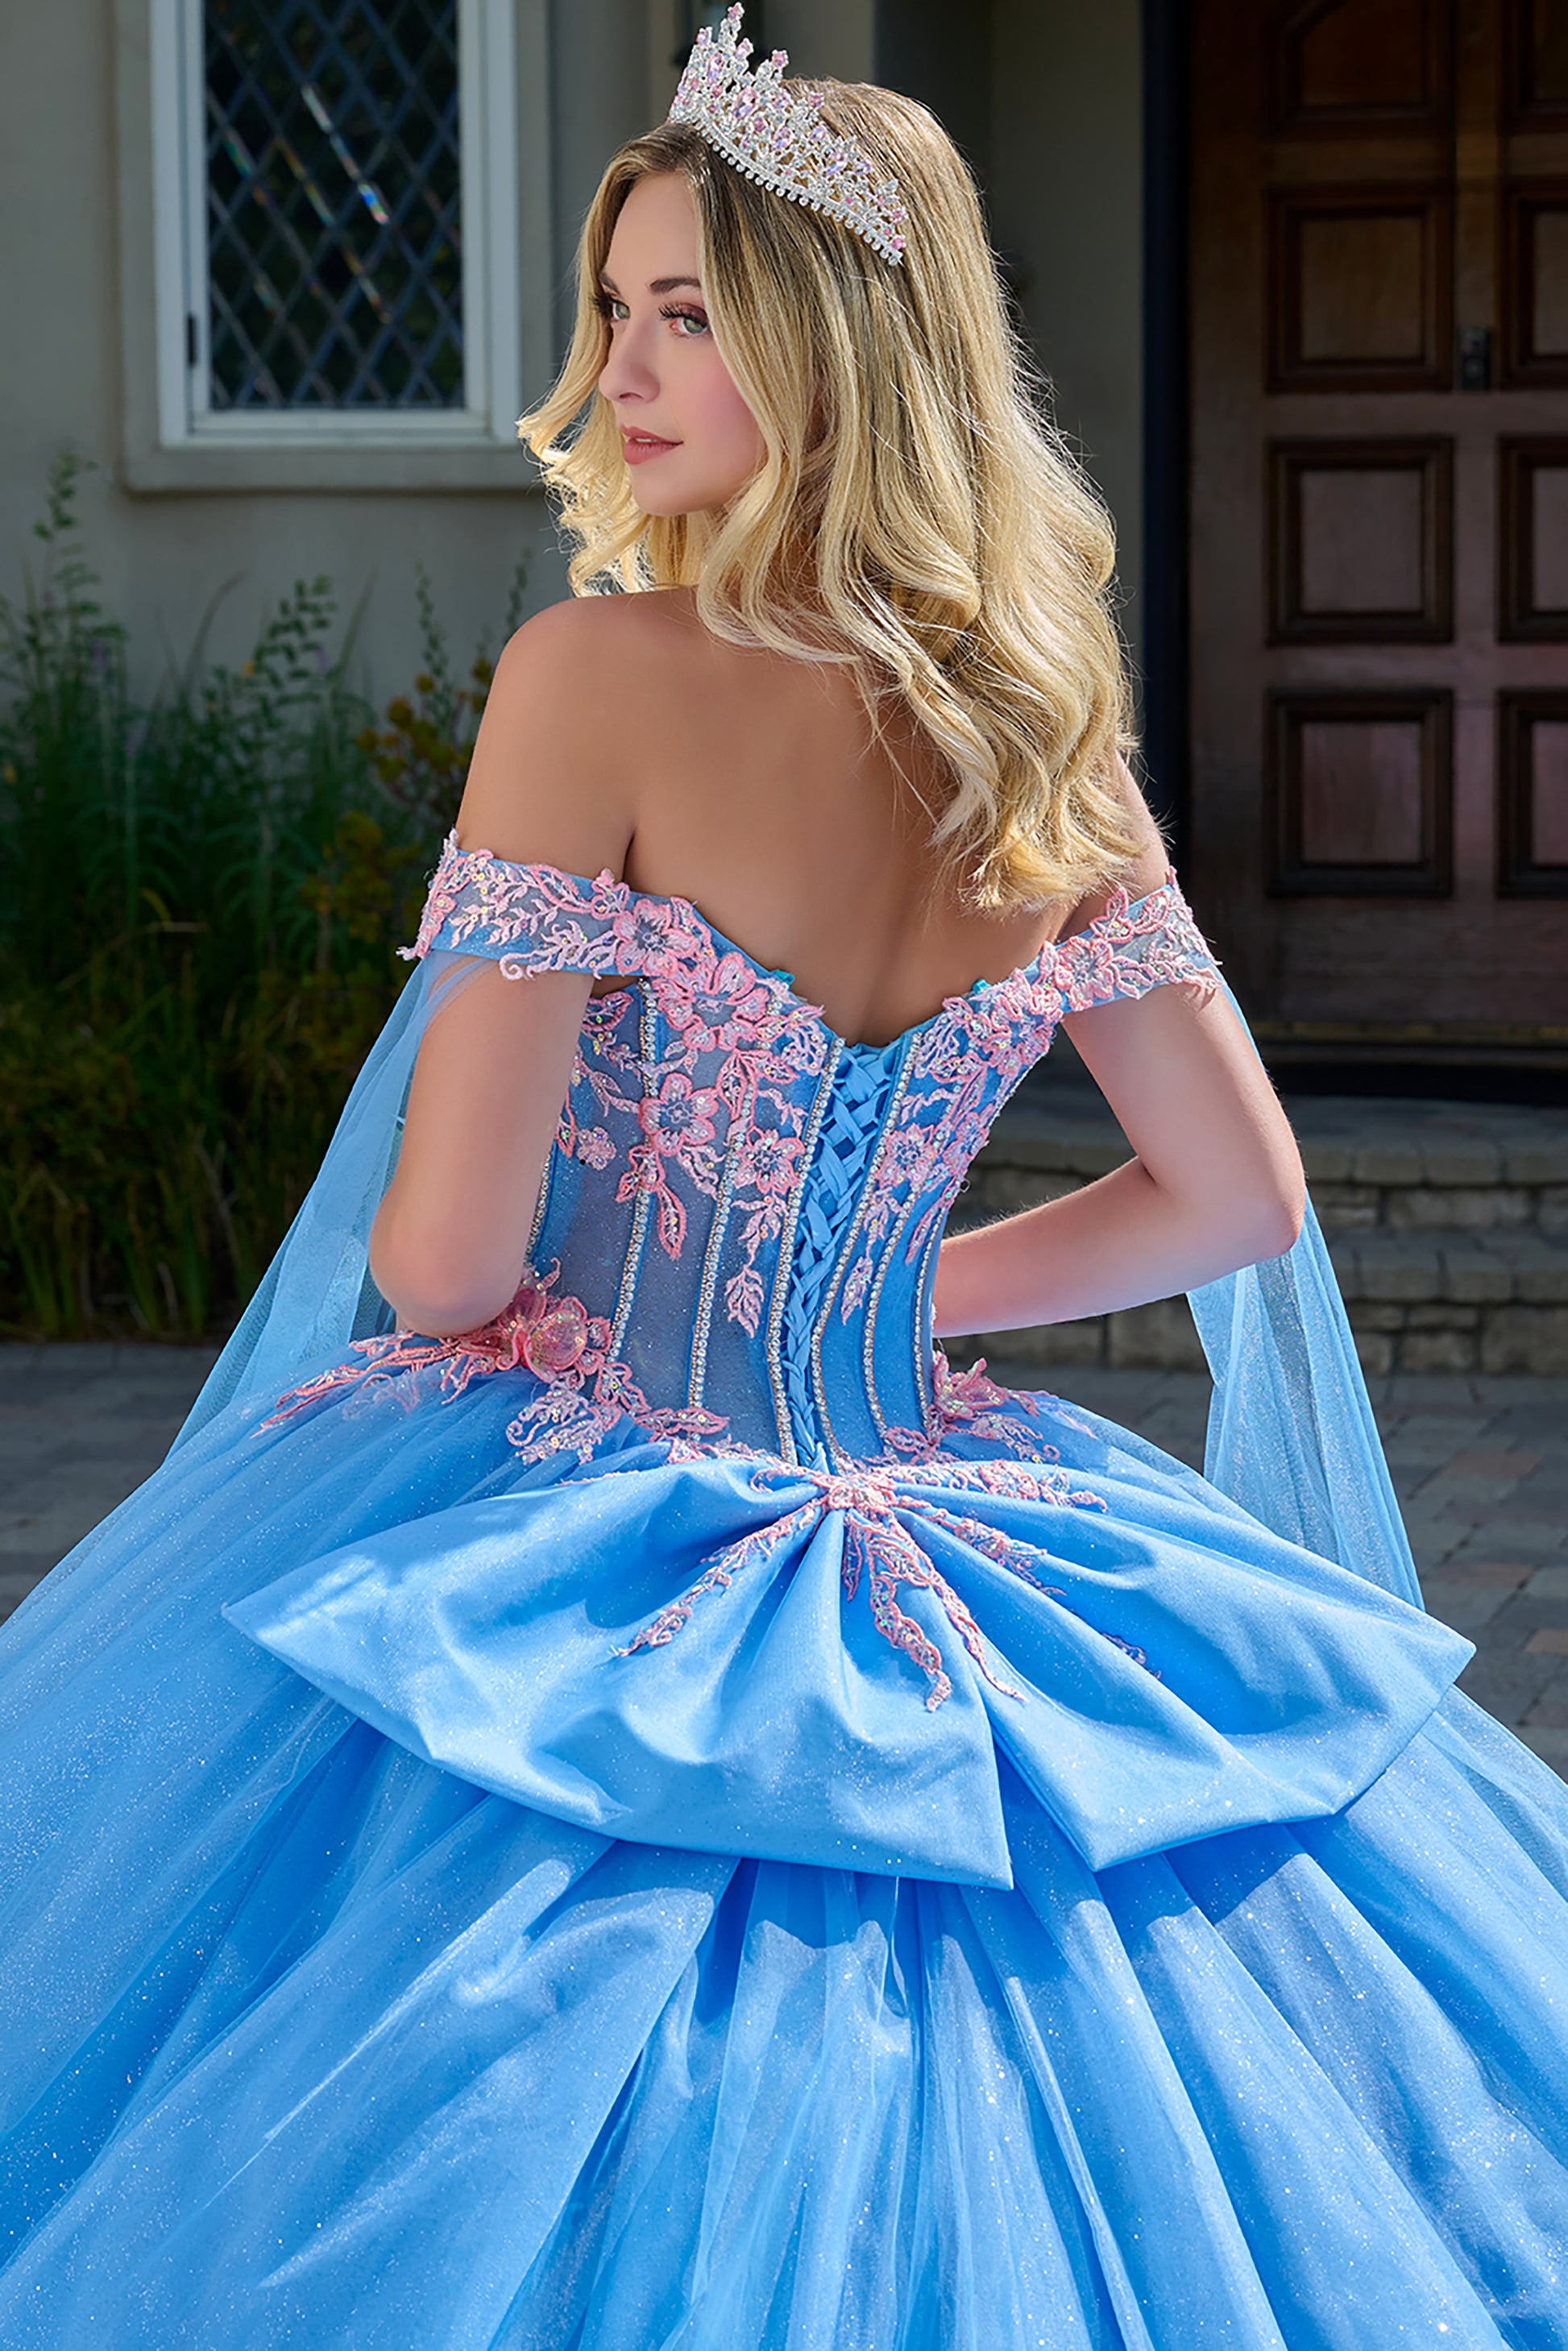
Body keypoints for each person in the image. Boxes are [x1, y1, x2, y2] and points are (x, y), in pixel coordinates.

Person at [1, 11, 1564, 2344]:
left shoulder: (593, 673)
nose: (619, 367)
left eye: (688, 311)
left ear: (838, 345)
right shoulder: (1037, 719)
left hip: (590, 1498)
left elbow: (434, 1266)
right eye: (613, 307)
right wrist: (902, 1315)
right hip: (936, 1503)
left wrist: (576, 1317)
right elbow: (1232, 1199)